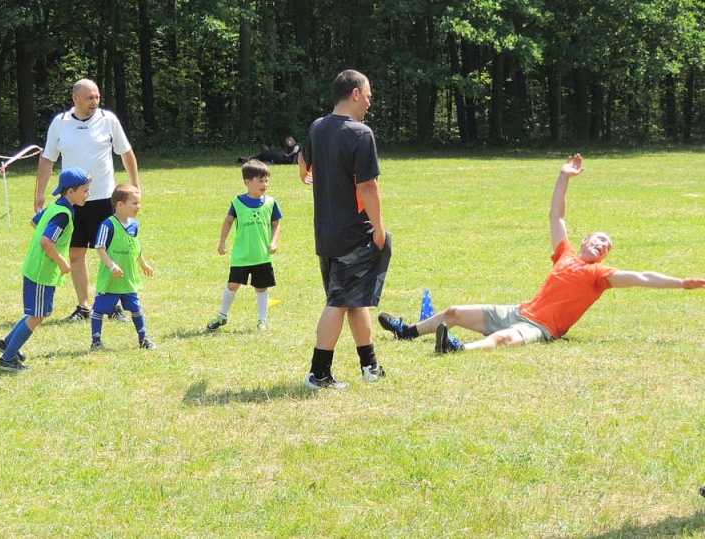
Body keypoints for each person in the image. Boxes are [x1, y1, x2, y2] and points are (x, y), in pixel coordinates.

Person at [378, 154, 705, 353]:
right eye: (599, 239)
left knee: (503, 340)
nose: (603, 245)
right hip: (518, 311)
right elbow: (557, 216)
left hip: (541, 329)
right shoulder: (565, 254)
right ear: (585, 239)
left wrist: (681, 283)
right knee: (452, 312)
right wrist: (564, 177)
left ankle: (458, 348)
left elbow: (643, 278)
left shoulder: (599, 276)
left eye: (607, 246)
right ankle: (406, 332)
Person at [298, 69, 391, 390]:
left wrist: (305, 175)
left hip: (325, 232)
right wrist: (379, 230)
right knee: (339, 302)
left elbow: (303, 160)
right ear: (354, 94)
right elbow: (368, 185)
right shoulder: (359, 133)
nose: (369, 102)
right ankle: (318, 374)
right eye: (367, 95)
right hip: (354, 233)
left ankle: (370, 366)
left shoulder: (318, 128)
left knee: (355, 299)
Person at [34, 78, 141, 325]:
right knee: (75, 253)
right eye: (90, 98)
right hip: (73, 202)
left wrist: (135, 185)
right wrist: (40, 192)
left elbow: (126, 152)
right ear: (76, 98)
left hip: (104, 198)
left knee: (112, 252)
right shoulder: (59, 124)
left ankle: (112, 305)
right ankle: (84, 306)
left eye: (97, 97)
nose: (95, 102)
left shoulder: (108, 120)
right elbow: (47, 159)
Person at [0, 167, 91, 372]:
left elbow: (34, 221)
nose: (87, 194)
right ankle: (8, 359)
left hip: (38, 268)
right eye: (85, 190)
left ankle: (8, 343)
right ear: (70, 192)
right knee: (37, 315)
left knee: (42, 311)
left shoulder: (57, 206)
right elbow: (47, 242)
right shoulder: (63, 215)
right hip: (41, 271)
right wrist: (63, 262)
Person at [206, 159, 283, 332]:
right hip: (241, 255)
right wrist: (222, 242)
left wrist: (273, 242)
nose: (265, 184)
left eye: (266, 180)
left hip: (261, 255)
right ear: (248, 182)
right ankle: (222, 316)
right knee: (233, 284)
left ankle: (262, 320)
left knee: (261, 287)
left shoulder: (271, 202)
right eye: (261, 180)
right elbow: (228, 221)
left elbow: (276, 224)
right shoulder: (237, 202)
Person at [90, 184, 156, 350]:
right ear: (120, 205)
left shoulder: (135, 225)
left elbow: (136, 249)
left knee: (136, 308)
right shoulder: (108, 225)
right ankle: (96, 341)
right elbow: (99, 246)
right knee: (99, 309)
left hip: (128, 278)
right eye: (134, 203)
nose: (138, 207)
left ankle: (144, 339)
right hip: (111, 278)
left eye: (139, 203)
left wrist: (144, 264)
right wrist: (111, 265)